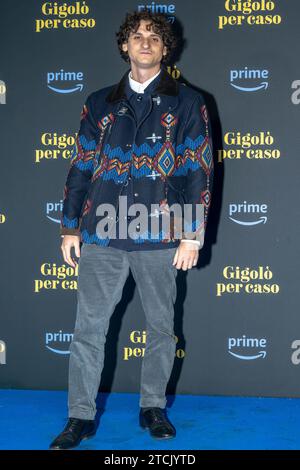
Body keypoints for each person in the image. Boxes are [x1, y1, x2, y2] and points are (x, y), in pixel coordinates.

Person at [49, 10, 214, 450]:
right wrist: (69, 229)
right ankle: (79, 417)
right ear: (125, 45)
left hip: (161, 236)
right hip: (102, 234)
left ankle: (152, 407)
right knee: (88, 329)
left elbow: (198, 170)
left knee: (161, 327)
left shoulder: (188, 102)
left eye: (154, 38)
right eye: (137, 36)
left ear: (166, 48)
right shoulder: (99, 101)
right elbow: (81, 165)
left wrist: (190, 235)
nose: (145, 43)